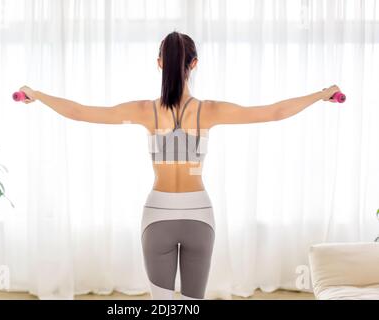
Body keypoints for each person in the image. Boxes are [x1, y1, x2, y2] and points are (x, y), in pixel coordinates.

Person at [18, 31, 341, 300]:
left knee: (163, 305)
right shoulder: (210, 111)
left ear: (160, 63)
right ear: (194, 64)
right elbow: (274, 112)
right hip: (199, 215)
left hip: (157, 214)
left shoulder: (145, 111)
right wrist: (322, 94)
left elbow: (81, 112)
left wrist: (37, 94)